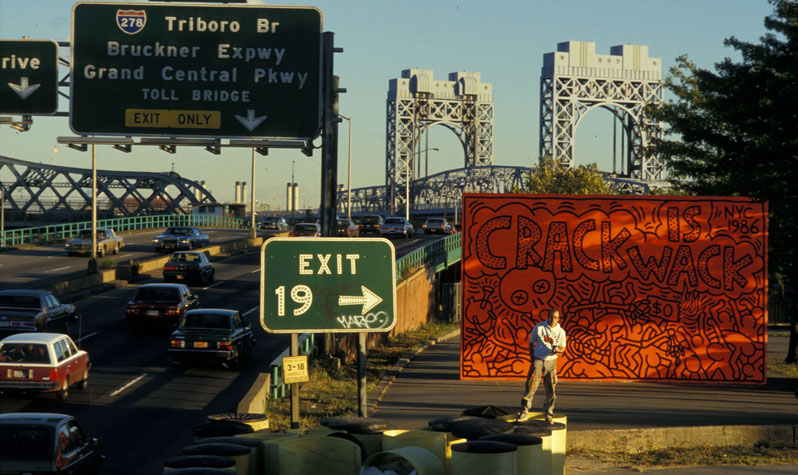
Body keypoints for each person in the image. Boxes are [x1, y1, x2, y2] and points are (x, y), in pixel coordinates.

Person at [518, 308, 567, 424]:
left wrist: (558, 351)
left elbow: (563, 348)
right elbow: (531, 343)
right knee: (531, 385)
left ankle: (549, 414)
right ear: (548, 316)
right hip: (538, 359)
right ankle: (524, 411)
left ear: (558, 319)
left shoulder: (561, 332)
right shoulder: (539, 327)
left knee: (550, 388)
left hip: (551, 361)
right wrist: (532, 358)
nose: (553, 319)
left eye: (555, 317)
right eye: (551, 316)